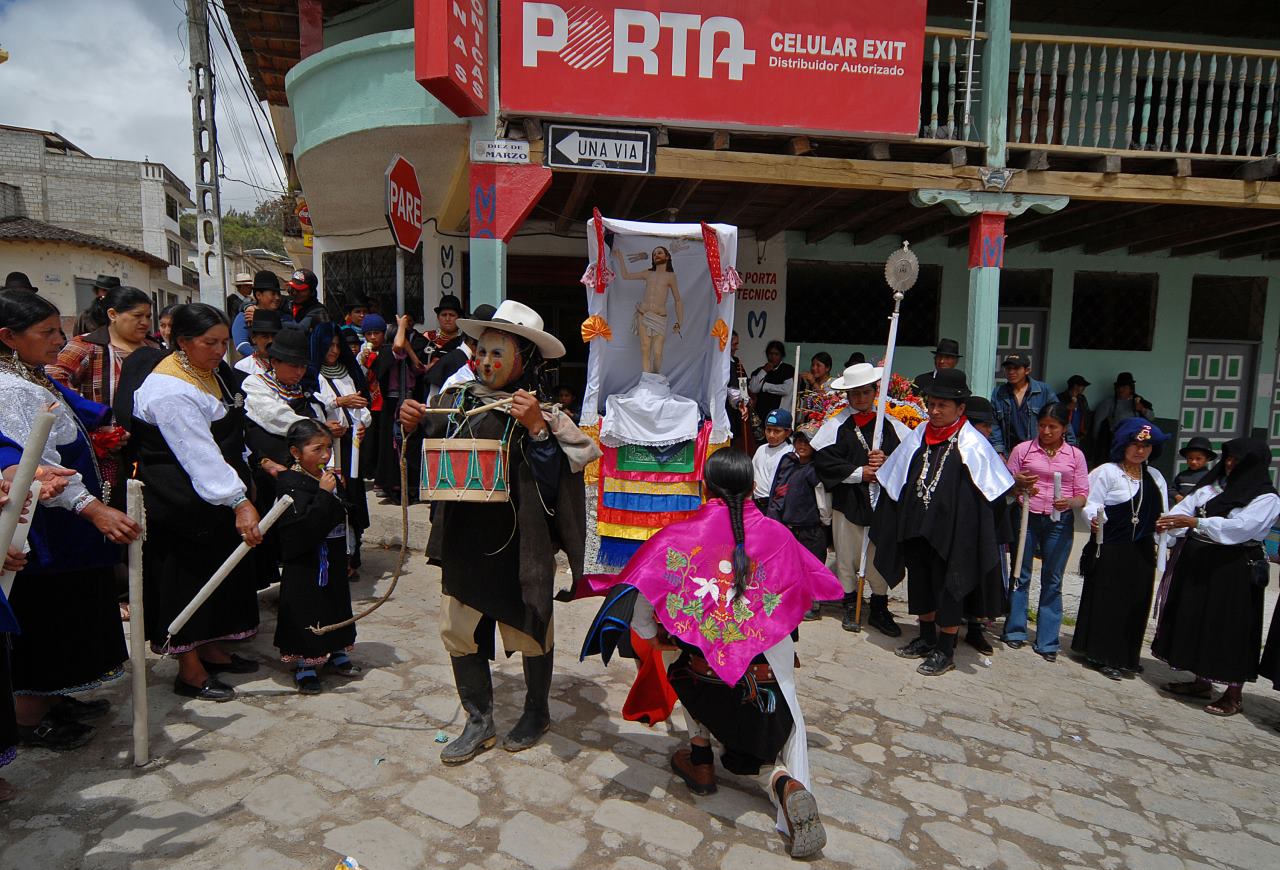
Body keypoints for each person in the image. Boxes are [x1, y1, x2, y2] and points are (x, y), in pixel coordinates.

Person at [589, 449, 841, 857]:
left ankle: (701, 757)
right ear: (752, 487)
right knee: (781, 708)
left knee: (675, 650)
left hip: (701, 675)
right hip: (763, 679)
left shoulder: (679, 535)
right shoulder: (778, 536)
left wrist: (656, 636)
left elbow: (643, 608)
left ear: (705, 486)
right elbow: (800, 597)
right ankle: (785, 781)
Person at [399, 299, 600, 764]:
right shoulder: (453, 403)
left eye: (498, 353)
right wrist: (411, 427)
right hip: (466, 539)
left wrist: (536, 431)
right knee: (458, 629)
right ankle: (478, 720)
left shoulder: (543, 414)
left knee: (531, 630)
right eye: (482, 352)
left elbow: (556, 486)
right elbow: (428, 464)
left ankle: (536, 712)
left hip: (521, 544)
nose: (486, 362)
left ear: (524, 360)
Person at [0, 289, 139, 745]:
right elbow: (34, 460)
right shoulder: (9, 389)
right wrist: (94, 509)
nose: (60, 340)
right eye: (47, 332)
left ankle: (56, 698)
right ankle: (28, 716)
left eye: (60, 329)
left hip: (64, 528)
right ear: (8, 337)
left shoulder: (29, 373)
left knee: (73, 615)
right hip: (45, 530)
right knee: (47, 622)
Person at [115, 303, 264, 702]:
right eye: (209, 342)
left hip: (214, 496)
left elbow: (235, 433)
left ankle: (213, 649)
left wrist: (245, 477)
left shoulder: (215, 375)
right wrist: (237, 499)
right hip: (181, 501)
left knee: (219, 576)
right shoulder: (169, 390)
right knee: (187, 581)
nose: (219, 350)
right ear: (181, 342)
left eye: (224, 342)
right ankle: (190, 670)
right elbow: (198, 453)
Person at [872, 369, 1015, 677]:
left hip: (954, 533)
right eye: (932, 404)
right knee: (921, 581)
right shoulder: (919, 434)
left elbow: (992, 491)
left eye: (942, 406)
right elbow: (897, 474)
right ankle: (925, 638)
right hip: (917, 525)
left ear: (960, 408)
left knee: (950, 587)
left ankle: (946, 649)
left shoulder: (973, 444)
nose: (934, 411)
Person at [1152, 438, 1280, 717]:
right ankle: (1202, 681)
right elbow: (1183, 511)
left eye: (1238, 460)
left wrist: (1198, 523)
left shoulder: (1266, 498)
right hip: (1201, 563)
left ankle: (1234, 695)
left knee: (1230, 628)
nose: (1230, 464)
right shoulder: (1213, 487)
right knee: (1199, 620)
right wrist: (1170, 524)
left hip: (1235, 570)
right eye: (1228, 459)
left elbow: (1241, 528)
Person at [812, 362, 910, 635]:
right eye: (854, 394)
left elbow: (909, 460)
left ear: (874, 391)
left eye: (866, 392)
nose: (860, 399)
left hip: (881, 505)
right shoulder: (837, 425)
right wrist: (860, 472)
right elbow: (824, 461)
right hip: (850, 501)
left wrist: (887, 462)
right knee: (847, 555)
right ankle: (849, 603)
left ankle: (879, 606)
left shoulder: (890, 425)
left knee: (878, 553)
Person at [243, 326, 343, 589]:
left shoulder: (307, 392)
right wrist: (315, 427)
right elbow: (274, 418)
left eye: (302, 366)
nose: (299, 371)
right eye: (292, 365)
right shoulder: (255, 385)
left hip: (308, 474)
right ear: (274, 361)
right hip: (271, 470)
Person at [48, 284, 161, 509]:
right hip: (104, 448)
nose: (145, 322)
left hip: (146, 447)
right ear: (113, 315)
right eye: (137, 316)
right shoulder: (87, 346)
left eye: (148, 316)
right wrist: (90, 420)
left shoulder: (153, 348)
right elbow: (53, 380)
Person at [1073, 419, 1170, 680]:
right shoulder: (1107, 472)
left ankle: (1127, 655)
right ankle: (1103, 655)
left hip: (1141, 550)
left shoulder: (1155, 477)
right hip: (1111, 547)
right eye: (1135, 444)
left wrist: (1164, 526)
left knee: (1136, 601)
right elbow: (1090, 503)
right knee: (1109, 601)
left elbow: (1164, 511)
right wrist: (1094, 520)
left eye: (1147, 446)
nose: (1140, 451)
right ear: (1123, 445)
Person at [273, 419, 361, 694]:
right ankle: (306, 664)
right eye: (317, 449)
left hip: (333, 556)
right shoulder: (290, 484)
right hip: (306, 562)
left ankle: (336, 650)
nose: (325, 456)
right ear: (297, 453)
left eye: (328, 448)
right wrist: (324, 494)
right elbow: (301, 528)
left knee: (335, 601)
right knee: (307, 607)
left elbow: (345, 515)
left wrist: (348, 554)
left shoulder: (329, 478)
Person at [1003, 403, 1090, 662]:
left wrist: (1069, 503)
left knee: (1053, 579)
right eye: (1042, 425)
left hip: (1059, 522)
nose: (1047, 431)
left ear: (1064, 428)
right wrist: (1018, 485)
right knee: (1020, 573)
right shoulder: (1023, 449)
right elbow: (1006, 485)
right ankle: (1015, 631)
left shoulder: (1075, 456)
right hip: (1027, 517)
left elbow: (1083, 495)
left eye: (1053, 426)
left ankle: (1048, 641)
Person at [310, 321, 371, 576]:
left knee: (353, 496)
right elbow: (311, 405)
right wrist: (337, 402)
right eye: (329, 345)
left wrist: (362, 423)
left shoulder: (349, 372)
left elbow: (362, 405)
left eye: (337, 345)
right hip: (326, 445)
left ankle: (352, 556)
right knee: (335, 495)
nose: (334, 350)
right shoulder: (312, 373)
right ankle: (334, 556)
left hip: (350, 445)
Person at [612, 246, 683, 374]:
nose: (656, 255)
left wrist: (680, 321)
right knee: (645, 348)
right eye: (654, 254)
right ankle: (647, 378)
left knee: (657, 352)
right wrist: (620, 257)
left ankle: (655, 376)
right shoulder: (648, 273)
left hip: (660, 317)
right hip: (643, 314)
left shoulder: (670, 276)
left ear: (667, 257)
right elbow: (626, 275)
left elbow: (678, 300)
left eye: (660, 253)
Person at [767, 425, 830, 567]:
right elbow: (777, 491)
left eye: (807, 442)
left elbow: (823, 500)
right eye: (799, 441)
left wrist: (825, 523)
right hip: (789, 530)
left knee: (812, 572)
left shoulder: (815, 469)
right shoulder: (788, 463)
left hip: (811, 533)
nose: (802, 445)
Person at [990, 354, 1069, 457]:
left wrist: (1069, 447)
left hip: (1037, 452)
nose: (1011, 372)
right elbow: (994, 424)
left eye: (1016, 368)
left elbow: (1060, 417)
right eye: (1008, 368)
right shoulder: (999, 393)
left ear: (1027, 370)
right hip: (1009, 452)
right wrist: (999, 451)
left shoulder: (1043, 391)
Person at [1091, 372, 1154, 466]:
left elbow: (1151, 418)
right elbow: (1097, 422)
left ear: (1131, 389)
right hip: (1115, 441)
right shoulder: (1109, 403)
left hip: (1136, 442)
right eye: (1119, 387)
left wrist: (1142, 409)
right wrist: (1096, 440)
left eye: (1124, 387)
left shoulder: (1139, 401)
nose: (1121, 390)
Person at [233, 271, 294, 357]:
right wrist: (263, 358)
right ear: (258, 295)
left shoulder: (284, 316)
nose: (277, 298)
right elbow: (241, 345)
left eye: (278, 294)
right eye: (273, 294)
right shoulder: (245, 316)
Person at [752, 408, 793, 512]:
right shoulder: (761, 449)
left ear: (787, 432)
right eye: (768, 430)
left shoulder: (789, 452)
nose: (771, 435)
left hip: (775, 505)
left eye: (777, 431)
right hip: (756, 504)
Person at [749, 341, 795, 427]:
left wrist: (765, 386)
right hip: (761, 414)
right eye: (770, 354)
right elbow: (753, 388)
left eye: (776, 354)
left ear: (781, 356)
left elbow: (787, 389)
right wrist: (764, 371)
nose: (773, 357)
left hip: (779, 415)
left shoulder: (787, 369)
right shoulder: (760, 370)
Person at [797, 351, 844, 428]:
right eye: (812, 365)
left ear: (827, 368)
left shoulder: (833, 383)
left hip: (826, 424)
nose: (814, 368)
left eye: (818, 365)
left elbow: (826, 402)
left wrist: (813, 383)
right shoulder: (809, 384)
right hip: (809, 424)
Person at [234, 308, 282, 376]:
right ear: (253, 338)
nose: (271, 341)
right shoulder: (243, 367)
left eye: (274, 336)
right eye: (265, 336)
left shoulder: (287, 365)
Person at [726, 331, 751, 453]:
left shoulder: (736, 362)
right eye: (734, 344)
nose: (736, 348)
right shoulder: (719, 362)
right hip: (725, 408)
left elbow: (743, 382)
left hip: (736, 409)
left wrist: (745, 399)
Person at [286, 268, 330, 333]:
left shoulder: (319, 311)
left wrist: (277, 321)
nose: (294, 293)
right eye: (293, 288)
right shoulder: (288, 304)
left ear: (312, 292)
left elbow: (300, 330)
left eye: (300, 290)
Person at [1173, 437, 1216, 502]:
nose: (1193, 462)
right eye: (1190, 458)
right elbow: (1172, 489)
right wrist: (1177, 496)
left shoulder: (1210, 476)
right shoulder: (1182, 476)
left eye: (1198, 459)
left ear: (1207, 459)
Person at [1061, 375, 1091, 446]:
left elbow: (1087, 414)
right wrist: (1067, 407)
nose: (1084, 388)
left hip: (1079, 436)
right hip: (1064, 436)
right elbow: (1055, 413)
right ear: (1075, 386)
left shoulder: (1082, 399)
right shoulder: (1061, 397)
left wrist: (1085, 430)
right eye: (1082, 386)